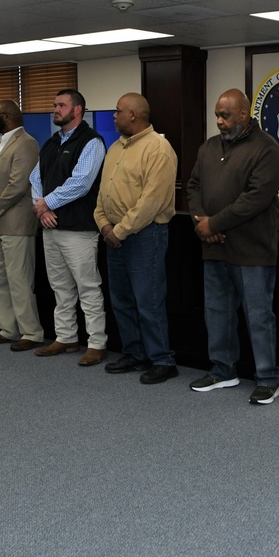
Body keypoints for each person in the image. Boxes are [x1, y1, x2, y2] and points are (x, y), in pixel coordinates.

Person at [186, 88, 279, 405]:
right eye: (217, 115)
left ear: (243, 113)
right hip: (214, 249)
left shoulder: (267, 149)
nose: (219, 121)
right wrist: (202, 222)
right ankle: (223, 371)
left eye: (225, 116)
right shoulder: (209, 147)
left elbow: (254, 199)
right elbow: (193, 186)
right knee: (217, 313)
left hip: (252, 251)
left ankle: (268, 379)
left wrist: (212, 224)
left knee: (258, 316)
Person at [95, 93, 178, 384]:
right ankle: (135, 352)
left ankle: (162, 359)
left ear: (133, 115)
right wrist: (105, 225)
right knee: (121, 299)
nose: (113, 116)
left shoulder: (158, 148)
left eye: (118, 112)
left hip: (145, 235)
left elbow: (150, 202)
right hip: (114, 234)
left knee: (149, 300)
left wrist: (118, 231)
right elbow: (103, 195)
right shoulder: (115, 148)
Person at [30, 89, 108, 367]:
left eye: (61, 105)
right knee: (60, 287)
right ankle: (66, 337)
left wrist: (46, 204)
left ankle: (96, 343)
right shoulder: (51, 143)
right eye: (55, 104)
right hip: (50, 227)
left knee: (88, 287)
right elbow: (35, 177)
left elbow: (82, 182)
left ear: (78, 110)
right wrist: (41, 208)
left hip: (79, 229)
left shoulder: (91, 142)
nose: (55, 109)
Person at [0, 100, 44, 352]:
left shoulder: (27, 143)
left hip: (15, 223)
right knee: (1, 280)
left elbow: (18, 186)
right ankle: (8, 329)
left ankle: (31, 332)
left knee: (20, 280)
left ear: (8, 116)